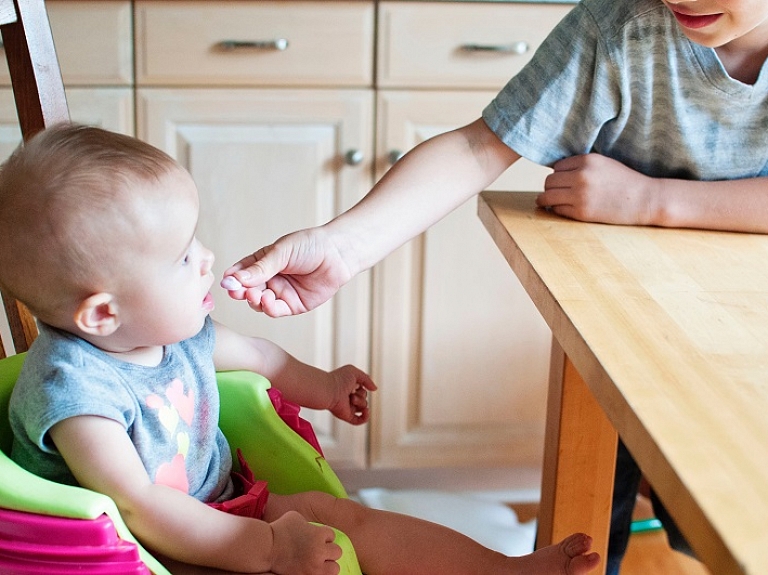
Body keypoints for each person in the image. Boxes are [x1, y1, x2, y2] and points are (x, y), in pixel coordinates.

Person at [221, 0, 768, 572]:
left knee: (723, 517)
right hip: (624, 323)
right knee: (599, 515)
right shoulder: (620, 27)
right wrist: (343, 246)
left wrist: (653, 201)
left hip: (741, 342)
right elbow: (480, 146)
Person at [0, 124, 599, 575]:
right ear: (104, 313)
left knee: (346, 516)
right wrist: (267, 549)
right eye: (182, 257)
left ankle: (502, 569)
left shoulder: (166, 334)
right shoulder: (78, 396)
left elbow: (262, 357)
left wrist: (326, 385)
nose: (206, 257)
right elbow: (141, 507)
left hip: (226, 506)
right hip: (150, 551)